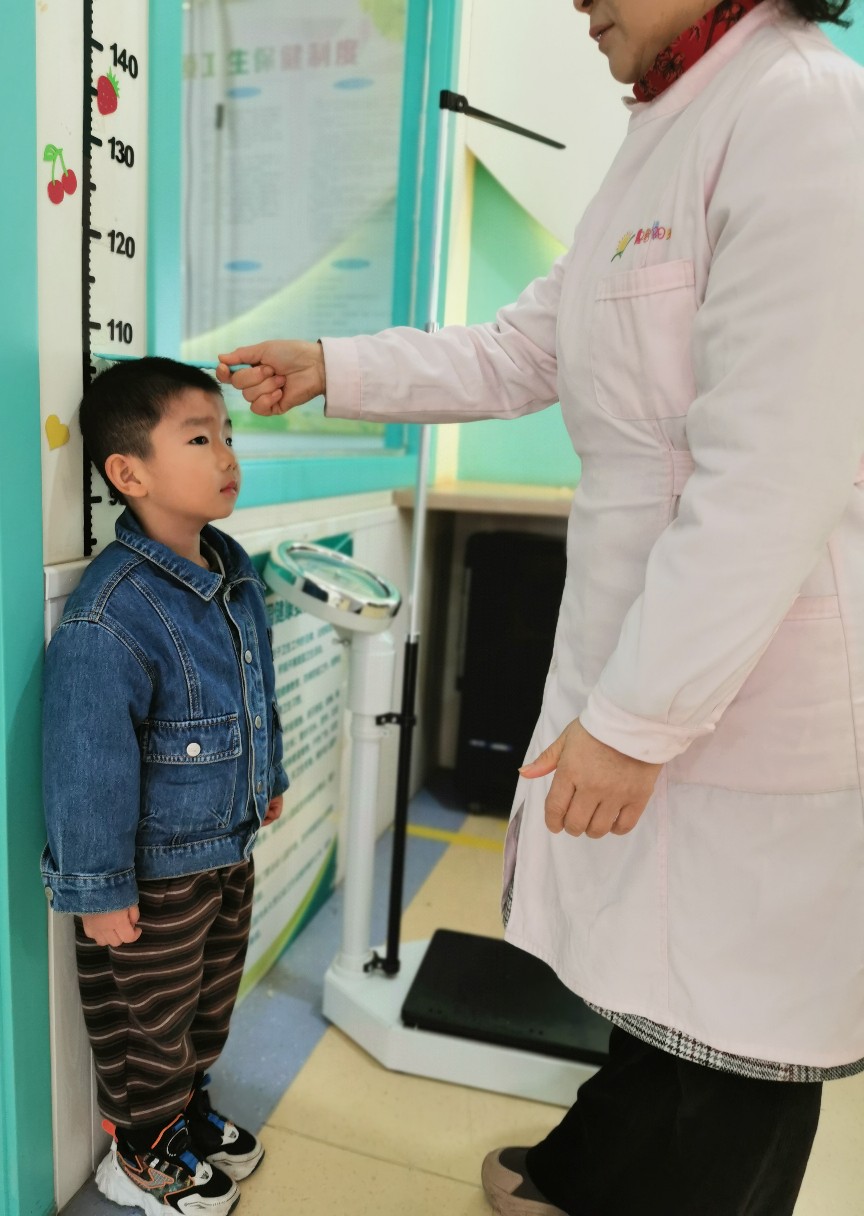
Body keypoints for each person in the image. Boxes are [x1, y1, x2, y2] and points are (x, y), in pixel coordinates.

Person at [217, 1, 864, 1211]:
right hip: (653, 636)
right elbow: (524, 348)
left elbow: (774, 474)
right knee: (653, 981)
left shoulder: (805, 111)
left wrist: (641, 716)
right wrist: (335, 367)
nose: (575, 0)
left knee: (739, 1022)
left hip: (752, 674)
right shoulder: (665, 124)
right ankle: (591, 1174)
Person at [41, 357, 288, 1216]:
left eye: (228, 435)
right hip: (153, 874)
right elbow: (86, 765)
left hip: (226, 847)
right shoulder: (109, 615)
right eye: (199, 438)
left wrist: (267, 778)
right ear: (129, 472)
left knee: (208, 1004)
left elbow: (253, 690)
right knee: (149, 1021)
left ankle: (184, 1112)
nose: (226, 455)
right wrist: (100, 889)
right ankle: (141, 1151)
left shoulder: (231, 570)